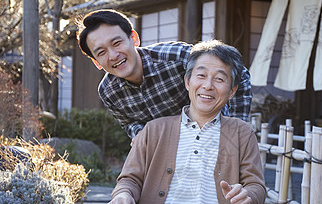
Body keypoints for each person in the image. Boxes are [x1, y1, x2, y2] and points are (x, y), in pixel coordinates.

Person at [100, 39, 266, 204]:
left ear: (232, 91)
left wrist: (247, 195)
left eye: (220, 79)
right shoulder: (154, 129)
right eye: (201, 75)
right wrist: (122, 194)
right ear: (188, 82)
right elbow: (129, 179)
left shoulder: (241, 133)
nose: (208, 86)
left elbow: (256, 186)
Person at [76, 9, 252, 139]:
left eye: (116, 43)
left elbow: (240, 73)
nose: (113, 55)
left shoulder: (176, 56)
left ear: (134, 38)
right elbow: (130, 124)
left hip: (217, 140)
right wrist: (144, 138)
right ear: (96, 62)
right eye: (101, 52)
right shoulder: (109, 92)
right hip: (169, 159)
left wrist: (236, 128)